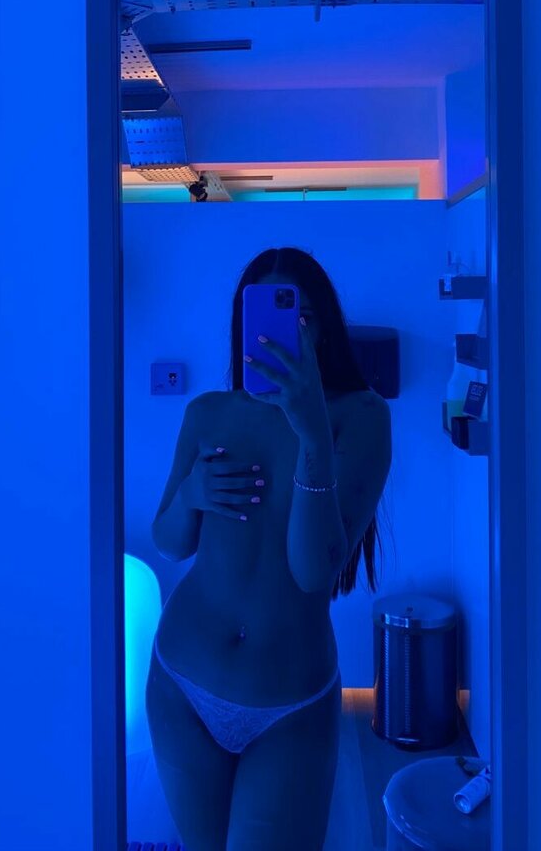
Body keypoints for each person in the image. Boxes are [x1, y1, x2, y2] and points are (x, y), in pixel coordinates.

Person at [145, 247, 393, 851]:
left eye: (301, 316)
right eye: (269, 315)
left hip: (290, 706)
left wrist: (312, 434)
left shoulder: (362, 416)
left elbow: (312, 572)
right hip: (181, 682)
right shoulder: (207, 412)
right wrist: (192, 494)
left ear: (323, 327)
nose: (286, 332)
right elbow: (169, 542)